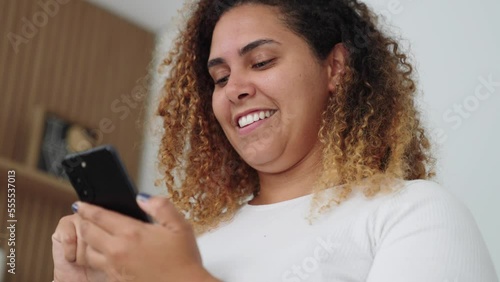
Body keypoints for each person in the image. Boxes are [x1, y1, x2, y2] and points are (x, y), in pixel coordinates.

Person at [52, 0, 499, 281]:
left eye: (261, 62)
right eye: (220, 77)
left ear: (335, 69)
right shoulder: (193, 240)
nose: (234, 89)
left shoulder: (413, 214)